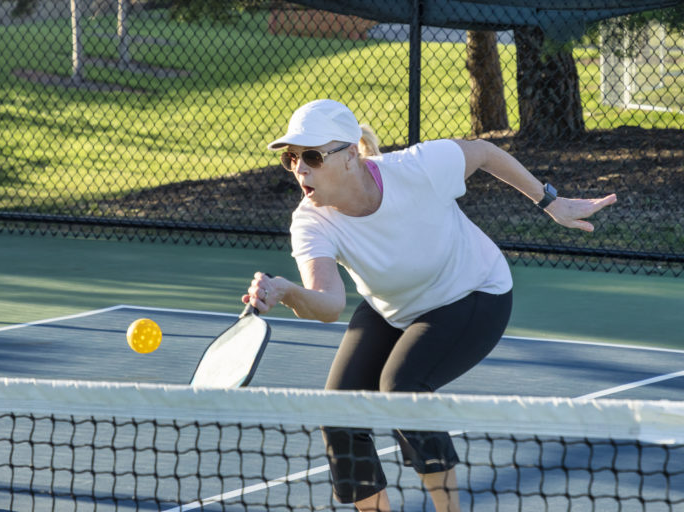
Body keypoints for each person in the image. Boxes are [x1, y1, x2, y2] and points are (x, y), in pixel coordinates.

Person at [241, 99, 616, 512]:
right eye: (292, 158)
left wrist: (552, 203)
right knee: (338, 414)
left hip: (474, 293)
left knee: (402, 389)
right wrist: (285, 291)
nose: (299, 168)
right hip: (394, 305)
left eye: (312, 156)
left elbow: (485, 152)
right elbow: (330, 304)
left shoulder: (417, 168)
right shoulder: (311, 221)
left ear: (350, 156)